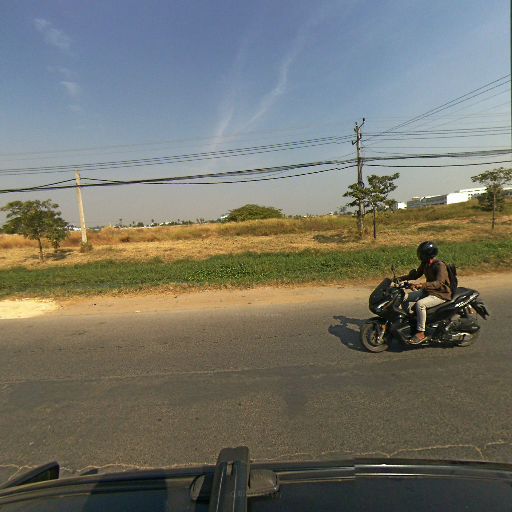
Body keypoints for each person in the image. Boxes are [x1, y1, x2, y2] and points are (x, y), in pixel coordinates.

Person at [400, 241, 453, 344]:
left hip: (440, 294)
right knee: (403, 297)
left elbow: (439, 283)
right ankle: (409, 320)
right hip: (429, 291)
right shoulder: (425, 264)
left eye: (421, 253)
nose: (419, 255)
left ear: (428, 254)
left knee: (420, 304)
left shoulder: (439, 265)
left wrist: (422, 285)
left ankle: (421, 333)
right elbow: (415, 275)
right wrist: (400, 278)